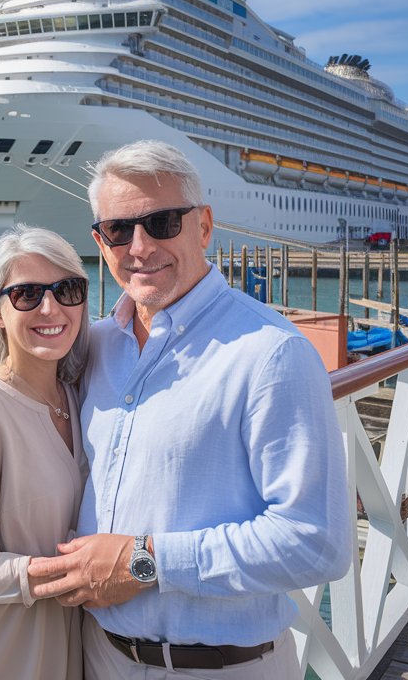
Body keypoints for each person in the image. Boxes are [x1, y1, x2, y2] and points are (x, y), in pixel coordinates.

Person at [28, 139, 352, 678]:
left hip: (221, 668)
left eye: (161, 223)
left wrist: (144, 561)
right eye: (118, 230)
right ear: (99, 241)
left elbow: (317, 544)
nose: (139, 246)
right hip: (98, 656)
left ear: (203, 226)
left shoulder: (271, 352)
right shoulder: (95, 347)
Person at [0, 224, 92, 679]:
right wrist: (76, 572)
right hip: (8, 660)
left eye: (68, 290)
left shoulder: (82, 396)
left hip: (81, 654)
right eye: (27, 294)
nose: (51, 308)